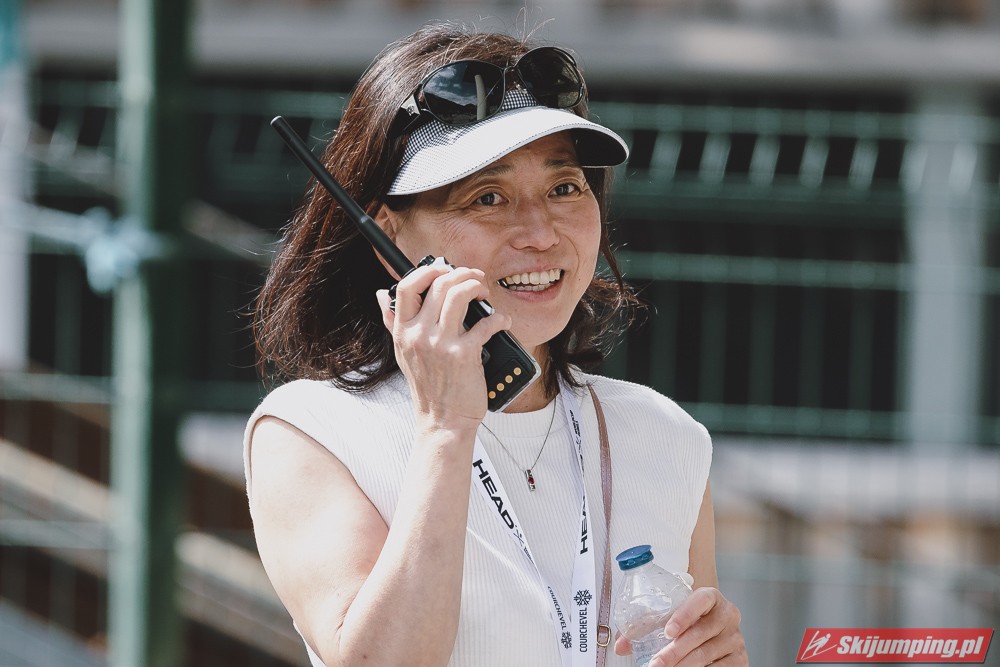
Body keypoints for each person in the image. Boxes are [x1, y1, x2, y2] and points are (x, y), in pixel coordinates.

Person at [244, 22, 747, 667]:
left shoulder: (663, 434)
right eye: (488, 197)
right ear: (388, 238)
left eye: (564, 188)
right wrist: (446, 431)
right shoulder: (313, 431)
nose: (540, 233)